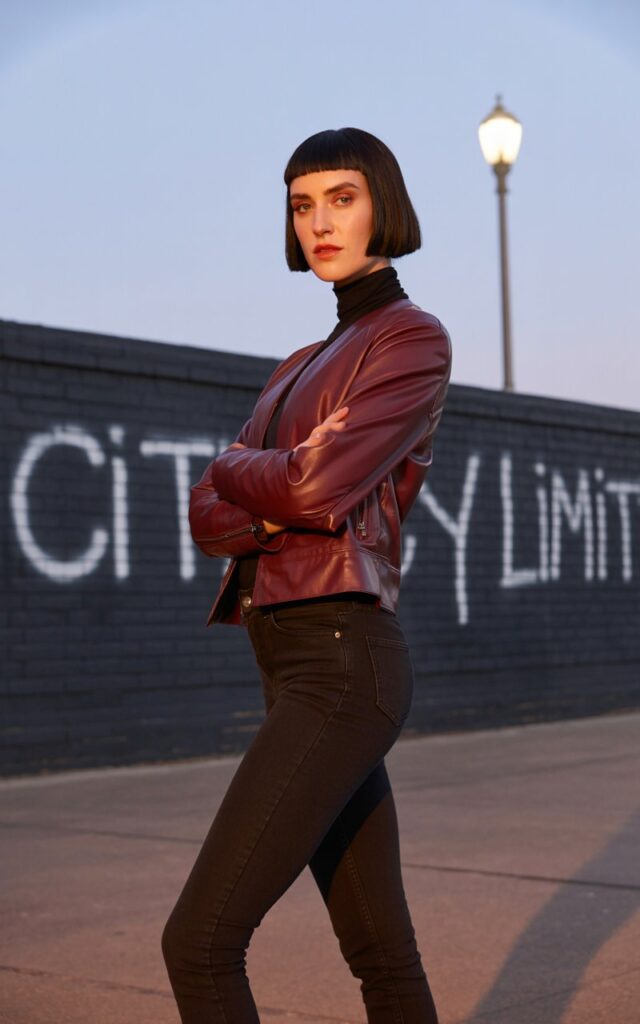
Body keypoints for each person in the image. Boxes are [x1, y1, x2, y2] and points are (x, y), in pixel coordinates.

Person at [161, 126, 452, 1023]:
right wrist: (272, 481)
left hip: (342, 662)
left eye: (342, 198)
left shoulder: (411, 339)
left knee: (200, 942)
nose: (319, 222)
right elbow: (207, 513)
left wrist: (256, 472)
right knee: (381, 954)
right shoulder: (299, 365)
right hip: (293, 667)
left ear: (382, 207)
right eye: (302, 205)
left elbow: (316, 487)